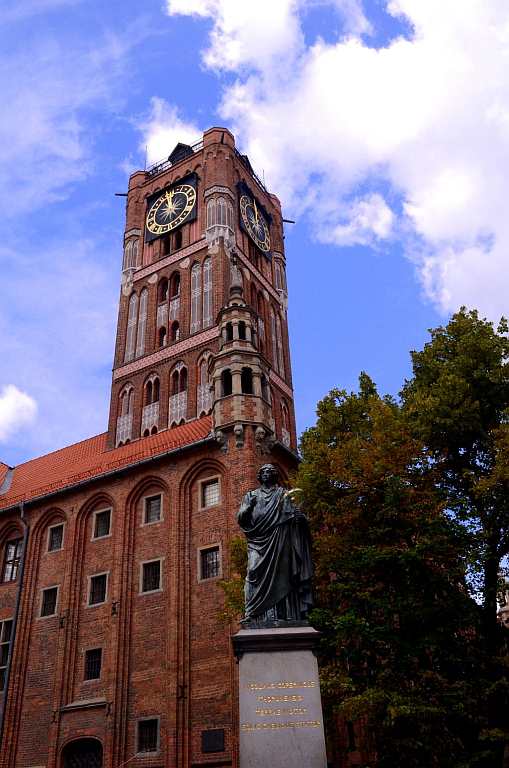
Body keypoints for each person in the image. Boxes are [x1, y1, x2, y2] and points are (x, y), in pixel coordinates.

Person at [237, 463, 313, 626]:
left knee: (283, 574)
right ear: (260, 476)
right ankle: (253, 613)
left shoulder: (283, 494)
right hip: (257, 541)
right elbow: (241, 519)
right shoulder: (251, 496)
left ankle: (284, 615)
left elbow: (295, 518)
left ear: (275, 475)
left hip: (281, 539)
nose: (266, 474)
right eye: (263, 471)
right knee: (253, 572)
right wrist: (247, 509)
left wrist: (300, 519)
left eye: (270, 471)